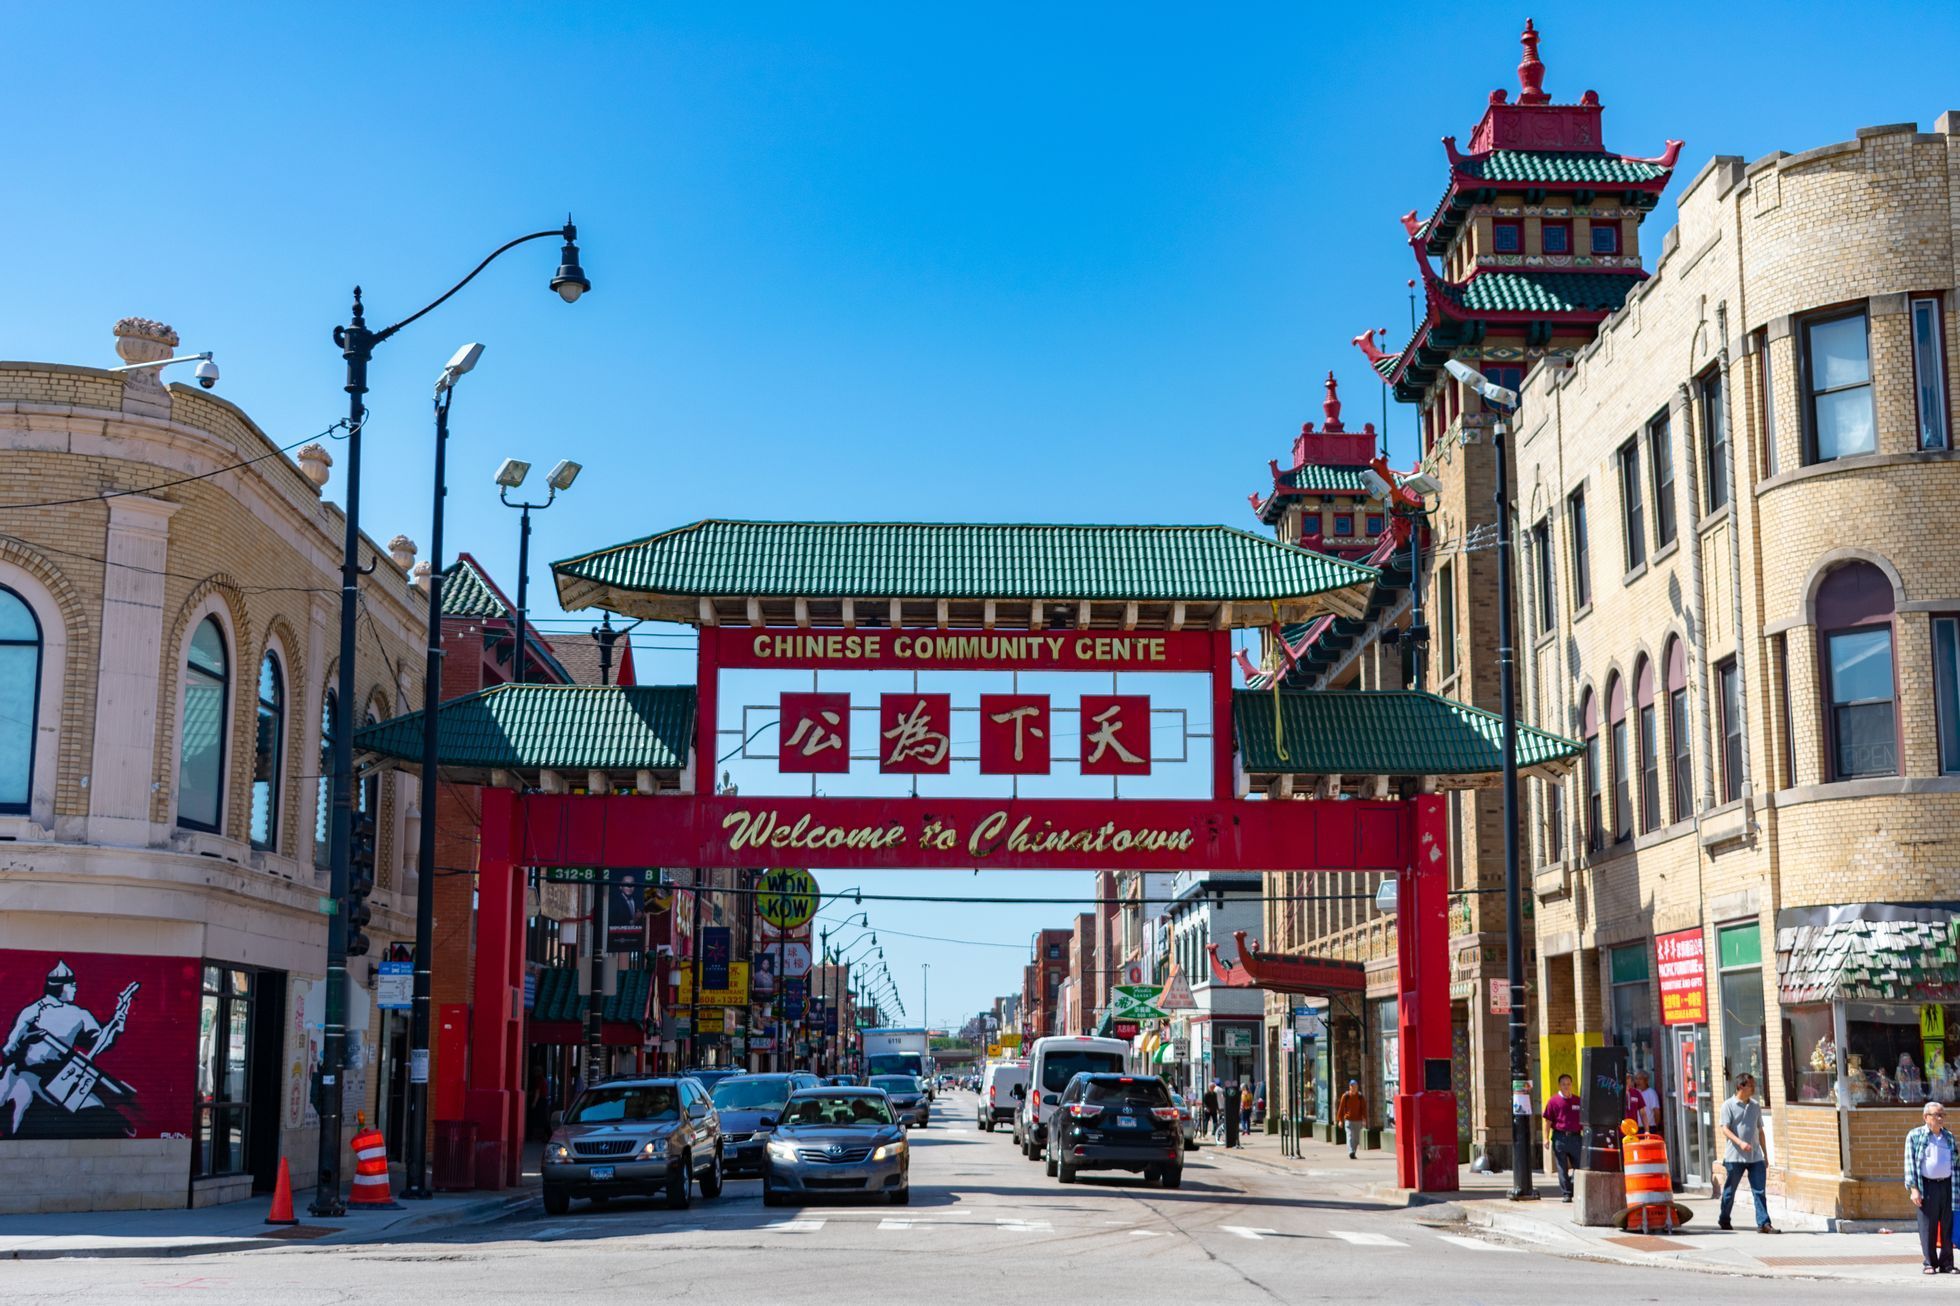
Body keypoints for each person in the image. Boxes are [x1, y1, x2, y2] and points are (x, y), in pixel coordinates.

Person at [1717, 1073, 1777, 1234]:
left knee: (1759, 1191)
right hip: (1734, 1157)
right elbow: (1724, 1129)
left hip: (1755, 1156)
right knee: (1730, 1191)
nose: (1754, 1088)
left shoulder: (1755, 1105)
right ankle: (1724, 1218)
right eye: (1751, 1085)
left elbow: (1760, 1131)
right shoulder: (1727, 1105)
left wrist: (1765, 1155)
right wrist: (1740, 1143)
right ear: (1741, 1086)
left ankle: (1764, 1223)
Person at [1906, 1099, 1959, 1273]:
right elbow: (1910, 1164)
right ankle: (1929, 1262)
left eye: (1943, 1115)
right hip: (1927, 1186)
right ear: (1925, 1117)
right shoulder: (1914, 1136)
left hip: (1947, 1185)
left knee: (1947, 1225)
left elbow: (1956, 1163)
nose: (1941, 1118)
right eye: (1937, 1115)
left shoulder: (1948, 1137)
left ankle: (1947, 1263)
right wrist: (1914, 1189)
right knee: (1927, 1226)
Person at [1542, 1073, 1584, 1202]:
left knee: (1579, 1166)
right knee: (1562, 1167)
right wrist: (1545, 1138)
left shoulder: (1578, 1100)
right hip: (1560, 1138)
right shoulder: (1553, 1101)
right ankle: (1566, 1193)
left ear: (1571, 1085)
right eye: (1564, 1084)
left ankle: (1574, 1187)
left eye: (1569, 1084)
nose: (1566, 1086)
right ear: (1559, 1086)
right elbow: (1547, 1122)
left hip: (1576, 1138)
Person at [1336, 1079, 1368, 1158]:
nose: (1353, 1088)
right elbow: (1341, 1108)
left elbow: (1364, 1109)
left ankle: (1353, 1152)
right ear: (1349, 1087)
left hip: (1358, 1120)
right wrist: (1340, 1120)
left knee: (1356, 1139)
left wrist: (1364, 1119)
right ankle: (1350, 1151)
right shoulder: (1346, 1096)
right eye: (1352, 1086)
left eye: (1355, 1086)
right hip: (1348, 1120)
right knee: (1350, 1136)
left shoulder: (1360, 1097)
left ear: (1357, 1087)